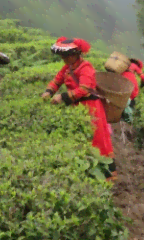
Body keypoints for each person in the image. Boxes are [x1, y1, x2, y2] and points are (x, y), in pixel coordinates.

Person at [41, 37, 117, 182]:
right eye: (63, 56)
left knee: (98, 140)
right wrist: (48, 91)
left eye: (67, 55)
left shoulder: (86, 68)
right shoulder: (68, 67)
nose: (64, 58)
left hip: (91, 108)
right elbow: (57, 80)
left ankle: (107, 176)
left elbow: (84, 89)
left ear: (76, 54)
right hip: (77, 107)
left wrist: (62, 97)